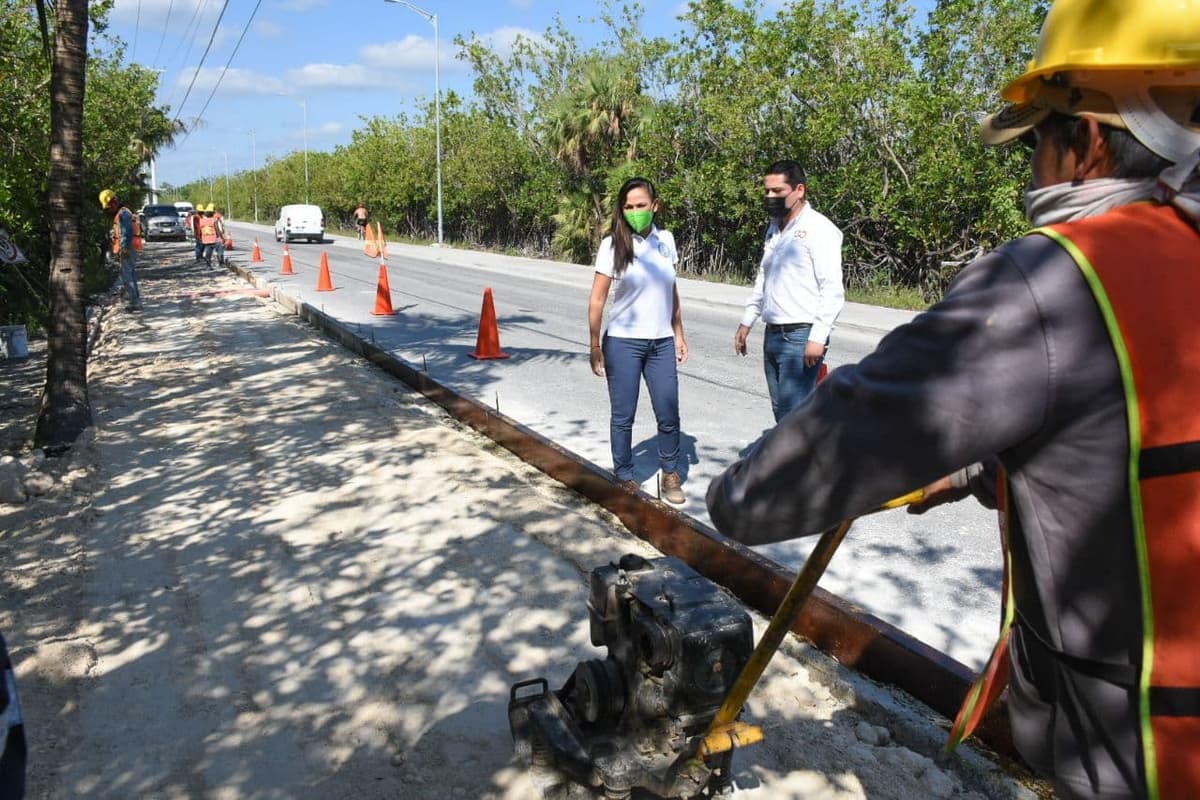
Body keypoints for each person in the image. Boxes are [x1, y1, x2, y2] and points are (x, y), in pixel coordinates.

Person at [706, 2, 1200, 797]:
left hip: (1145, 752)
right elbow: (1139, 448)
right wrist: (976, 470)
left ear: (1088, 141)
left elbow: (774, 487)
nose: (1030, 170)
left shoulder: (1058, 280)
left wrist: (735, 493)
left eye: (1035, 143)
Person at [588, 177, 689, 505]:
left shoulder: (666, 241)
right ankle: (624, 475)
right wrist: (594, 345)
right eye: (629, 207)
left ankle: (670, 473)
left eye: (641, 205)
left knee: (668, 411)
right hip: (623, 343)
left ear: (655, 206)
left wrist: (678, 333)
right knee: (623, 415)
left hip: (661, 342)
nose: (635, 212)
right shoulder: (612, 245)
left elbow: (671, 290)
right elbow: (597, 299)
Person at [734, 159, 844, 421]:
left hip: (800, 335)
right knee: (781, 411)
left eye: (778, 191)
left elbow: (832, 288)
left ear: (799, 190)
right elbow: (765, 277)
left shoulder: (819, 229)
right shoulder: (775, 228)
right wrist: (747, 320)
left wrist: (818, 337)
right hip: (773, 332)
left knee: (792, 416)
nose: (770, 197)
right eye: (767, 191)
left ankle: (806, 449)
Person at [99, 188, 142, 311]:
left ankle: (135, 302)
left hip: (128, 247)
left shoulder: (122, 214)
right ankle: (136, 301)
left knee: (127, 275)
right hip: (130, 246)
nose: (109, 210)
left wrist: (124, 248)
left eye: (108, 207)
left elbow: (126, 232)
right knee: (130, 274)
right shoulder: (124, 212)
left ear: (113, 203)